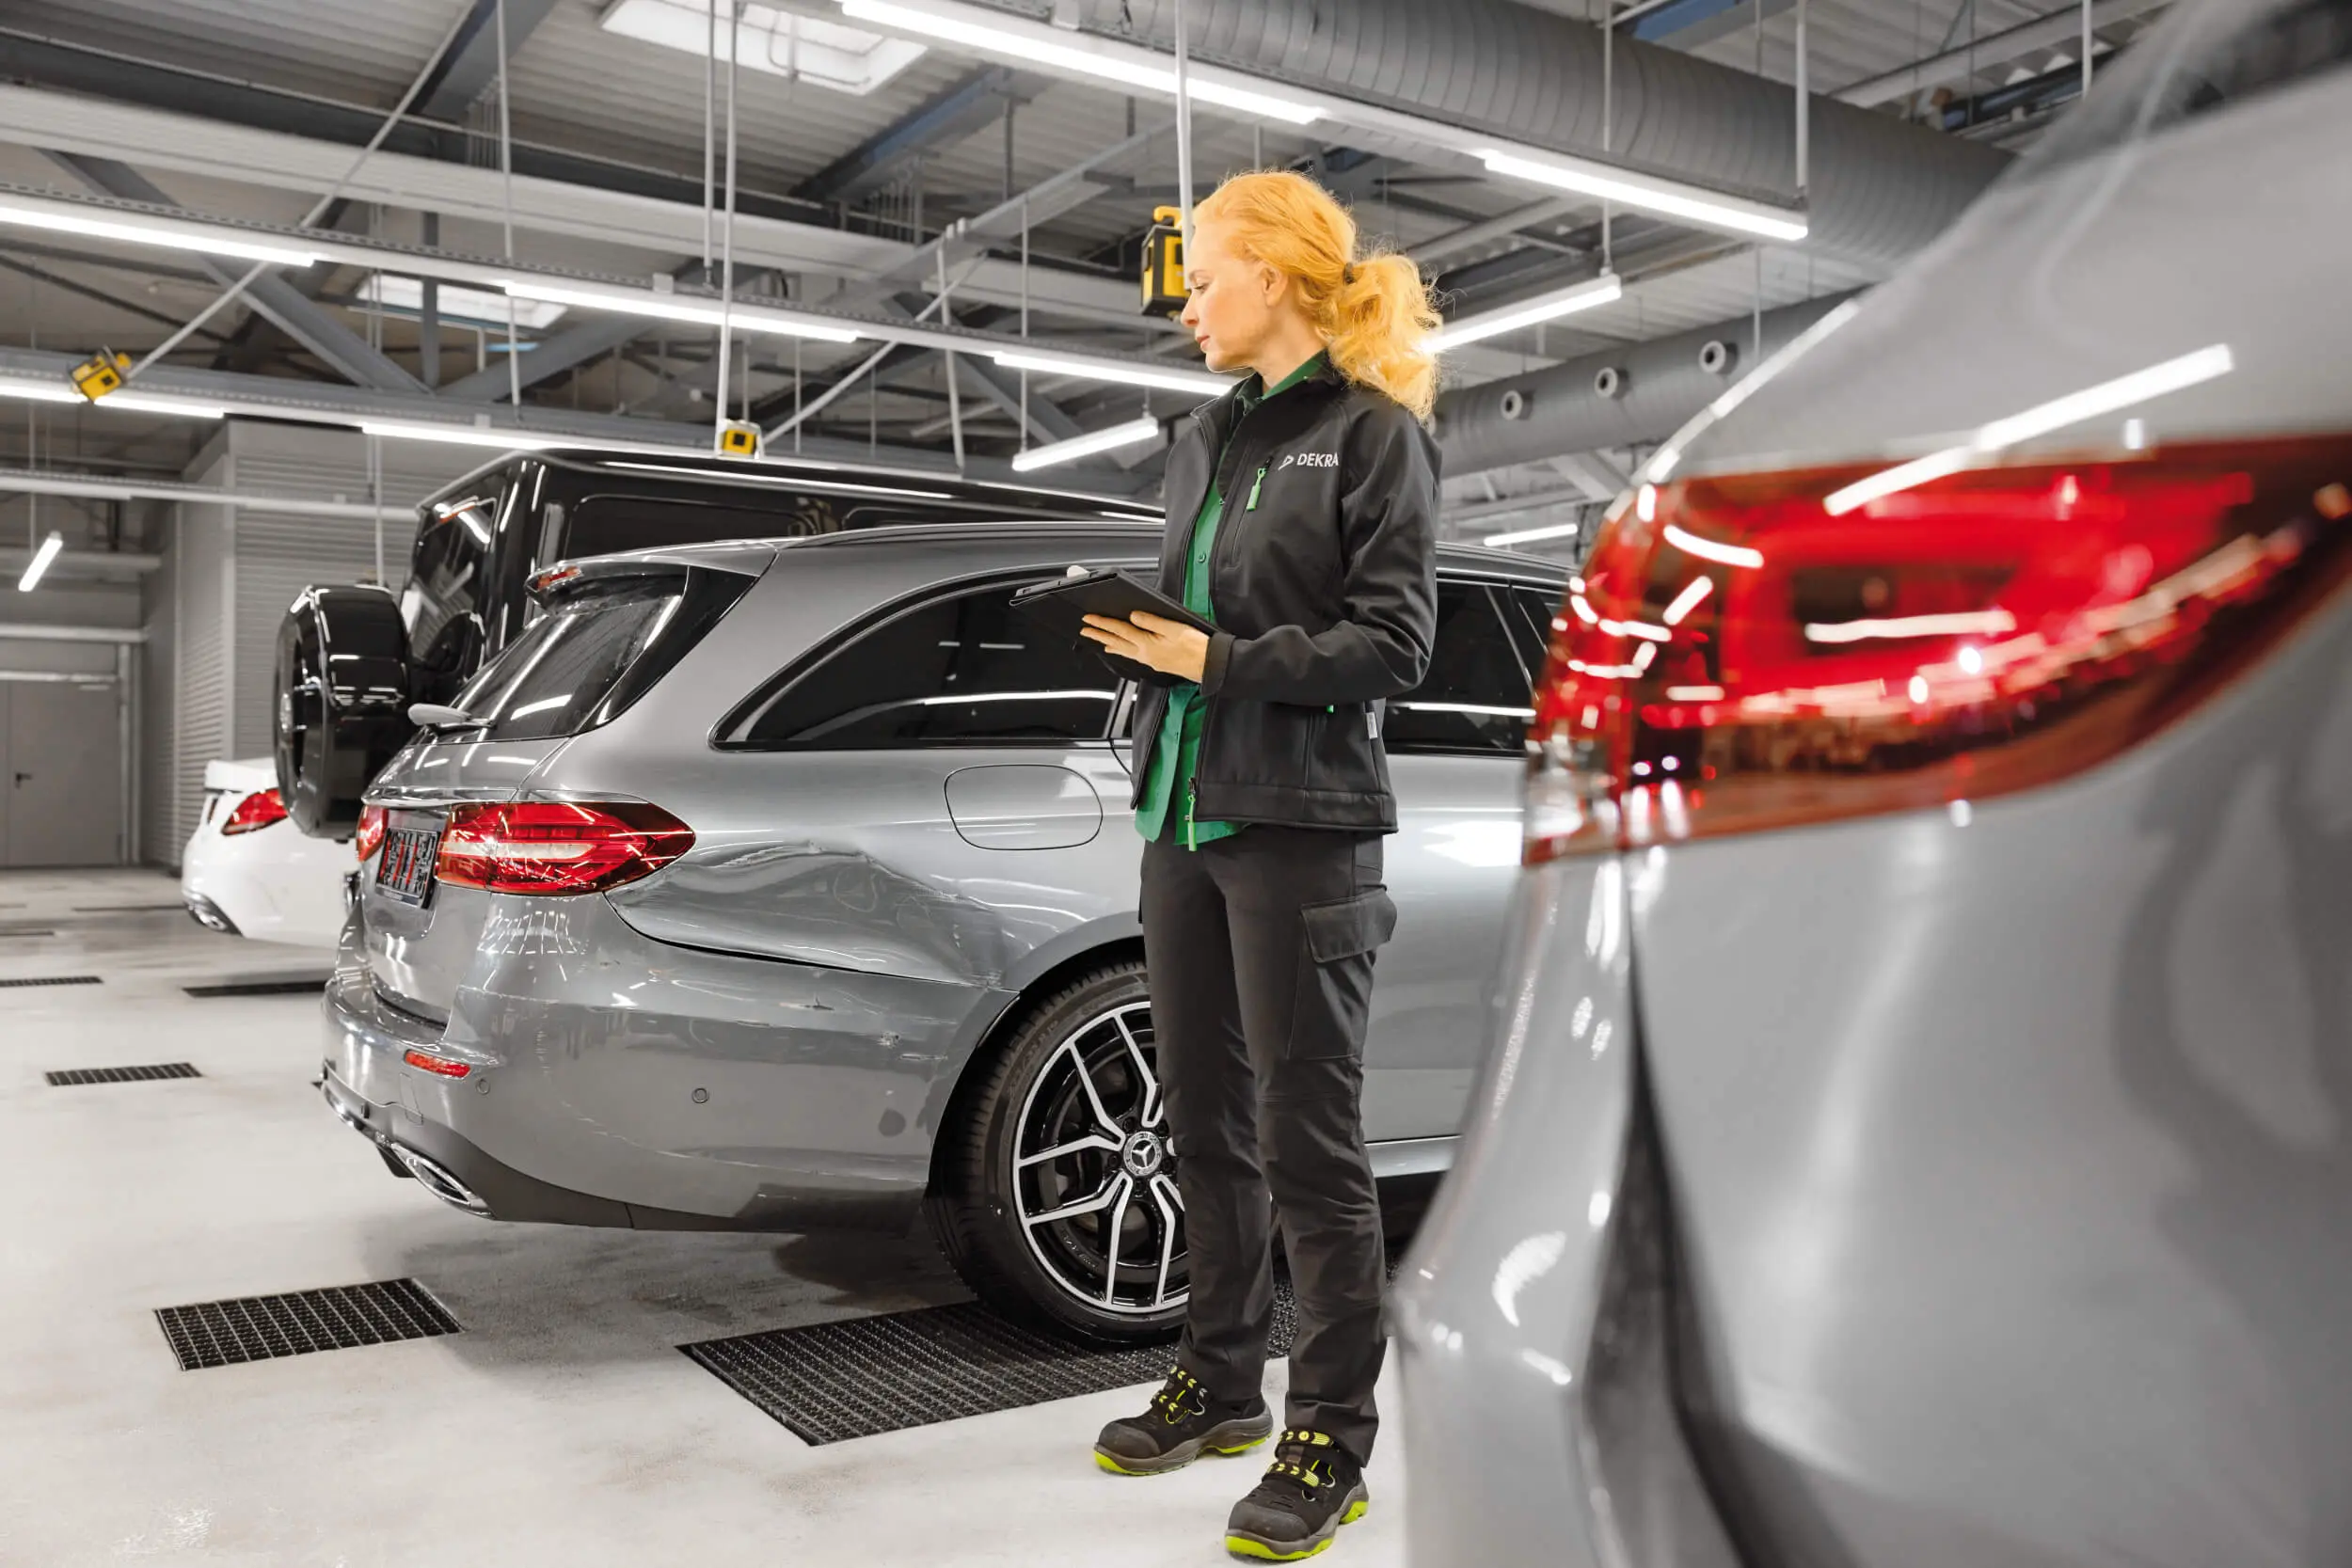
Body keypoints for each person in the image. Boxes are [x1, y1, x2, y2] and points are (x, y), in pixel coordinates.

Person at [1078, 168, 1442, 1562]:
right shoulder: (1202, 439)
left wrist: (1223, 662)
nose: (1189, 311)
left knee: (1307, 1138)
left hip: (1301, 822)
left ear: (1276, 277)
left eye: (1207, 282)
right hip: (1184, 811)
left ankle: (1329, 1434)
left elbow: (1395, 644)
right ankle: (1222, 1381)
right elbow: (1195, 611)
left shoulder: (1371, 434)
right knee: (1204, 1122)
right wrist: (1142, 653)